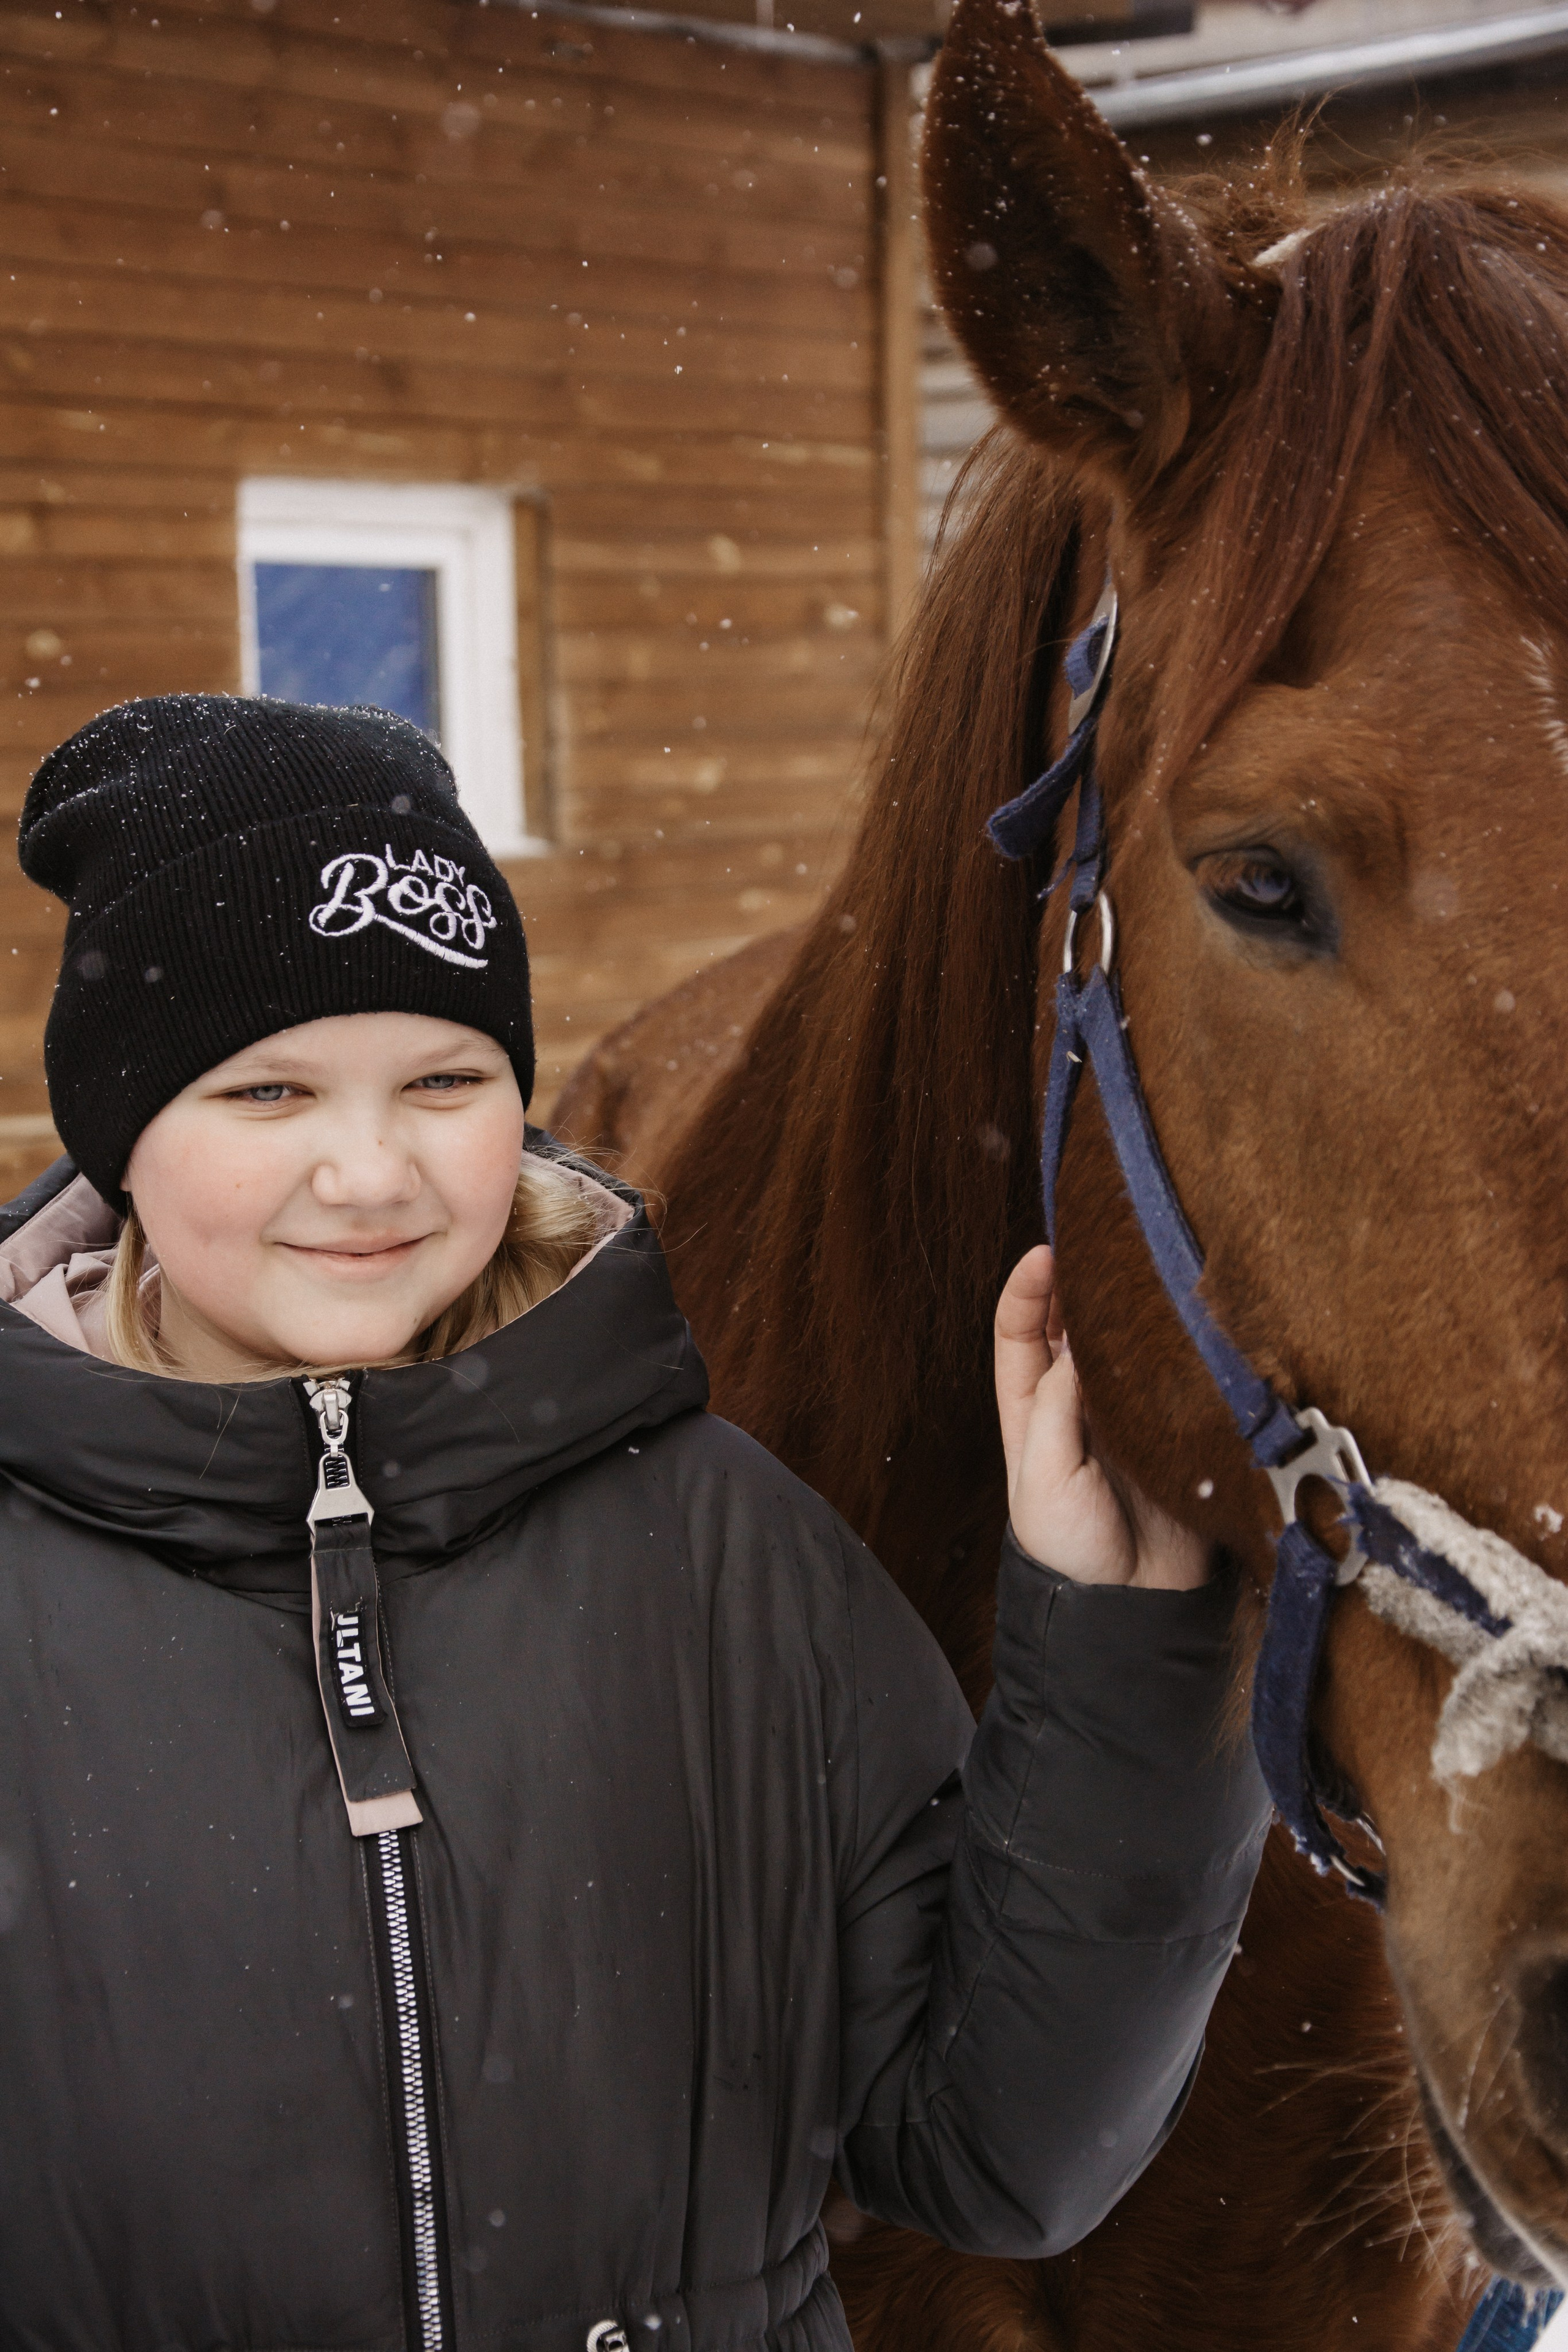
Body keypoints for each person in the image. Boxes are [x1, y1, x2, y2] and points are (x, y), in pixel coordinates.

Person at [0, 694, 1269, 2345]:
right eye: (268, 1093)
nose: (370, 1172)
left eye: (444, 1078)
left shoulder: (728, 1551)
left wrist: (1123, 1660)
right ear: (121, 1127)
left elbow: (994, 2151)